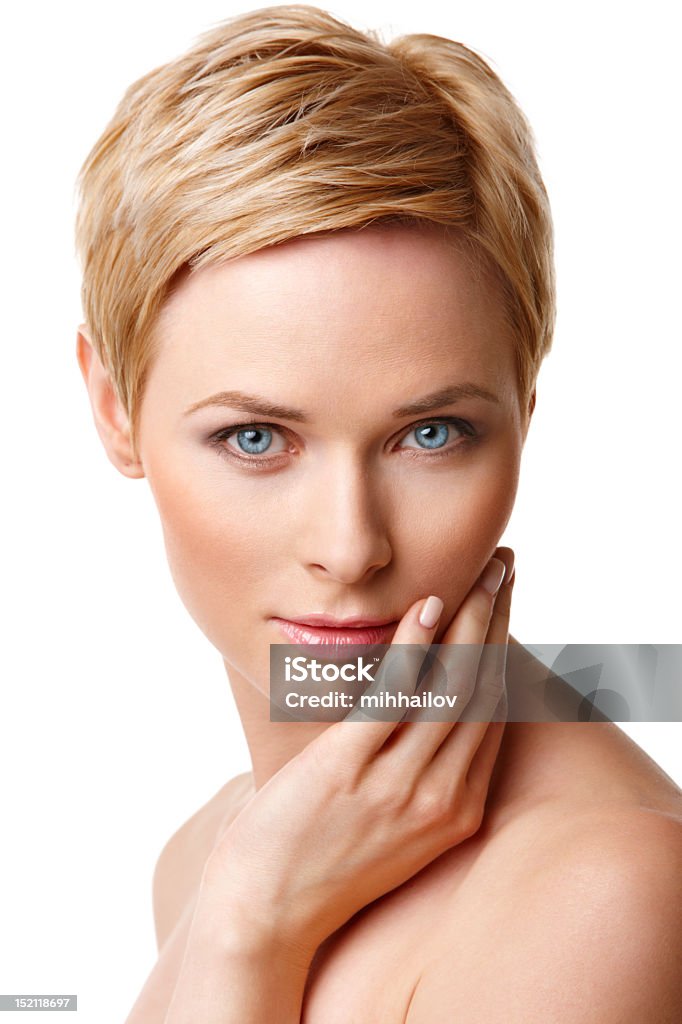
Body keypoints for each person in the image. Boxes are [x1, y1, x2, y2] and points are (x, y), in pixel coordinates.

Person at [74, 5, 682, 1021]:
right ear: (114, 410)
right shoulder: (210, 856)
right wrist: (247, 918)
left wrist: (252, 931)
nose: (352, 547)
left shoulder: (606, 892)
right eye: (256, 439)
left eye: (431, 433)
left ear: (524, 408)